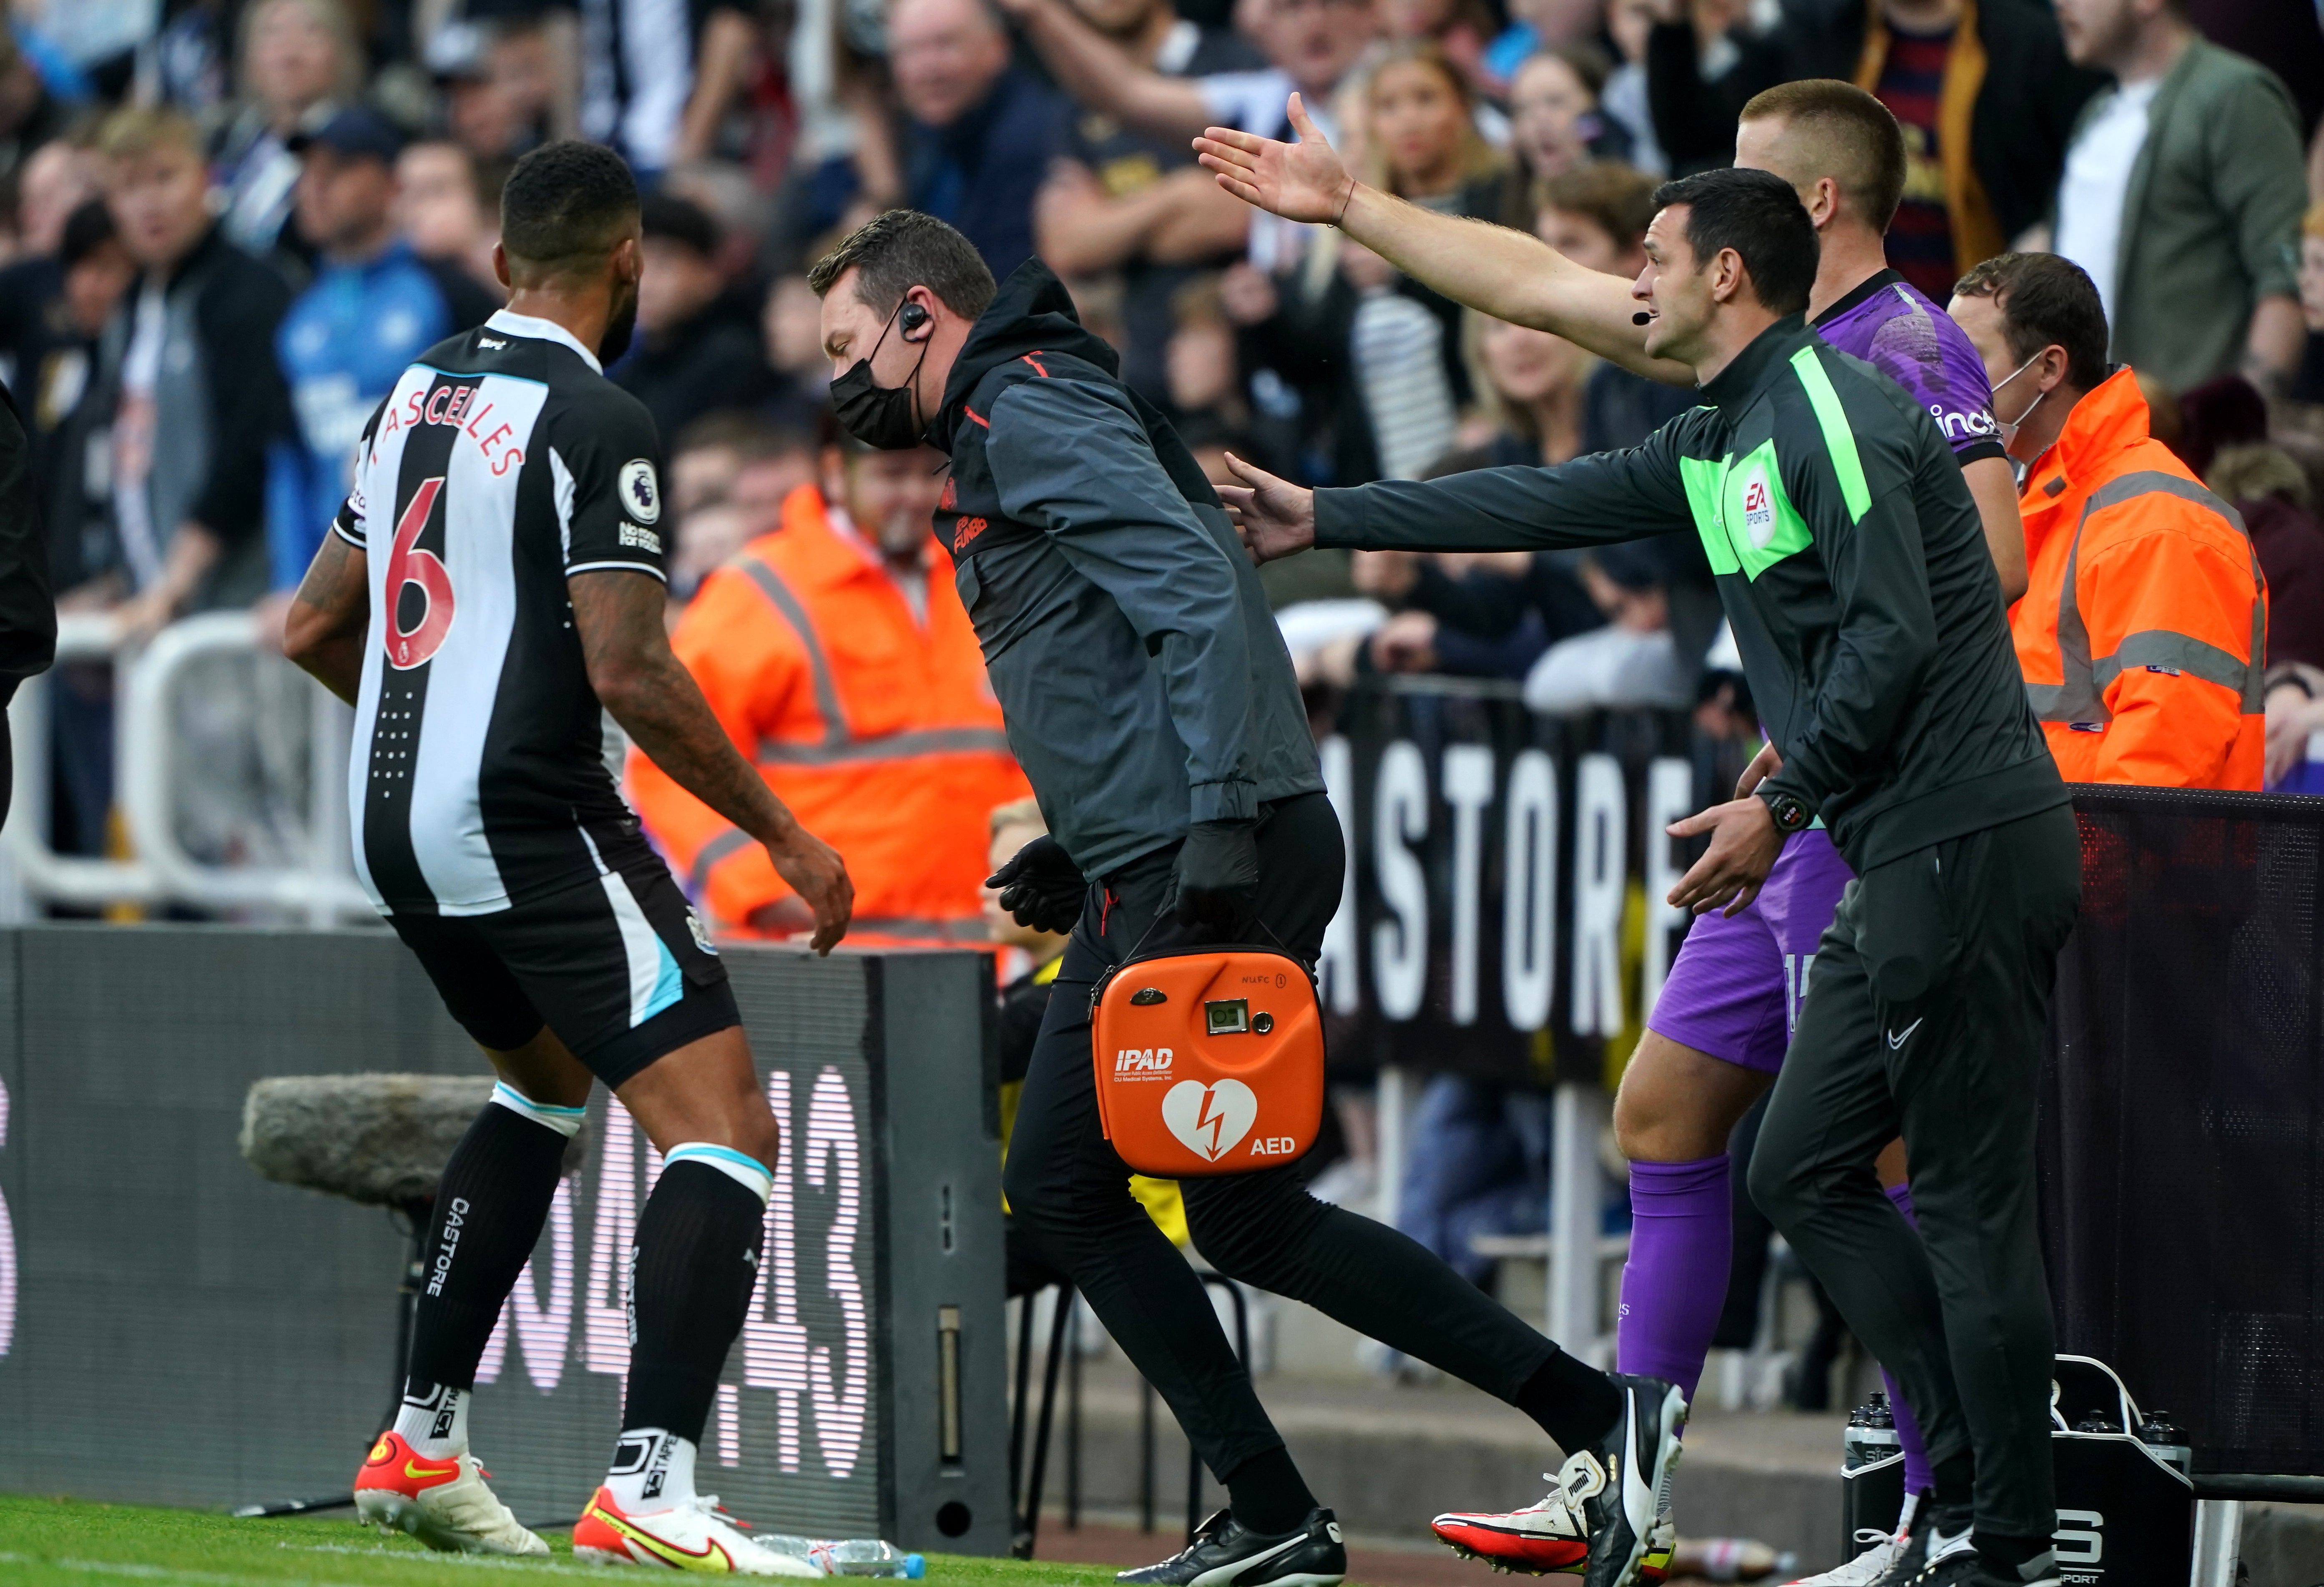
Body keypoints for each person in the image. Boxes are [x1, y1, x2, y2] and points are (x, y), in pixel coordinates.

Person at [1209, 146, 2079, 1587]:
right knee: (1802, 1168)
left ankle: (2010, 1542)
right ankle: (1978, 1500)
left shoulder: (1824, 410)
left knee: (1970, 1204)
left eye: (1654, 258)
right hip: (1903, 849)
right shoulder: (1725, 427)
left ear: (1723, 272)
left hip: (1961, 842)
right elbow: (1557, 500)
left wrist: (1783, 796)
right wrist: (1331, 513)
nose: (1633, 283)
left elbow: (1898, 636)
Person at [809, 207, 1683, 1587]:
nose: (842, 381)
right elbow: (1139, 619)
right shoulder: (1026, 409)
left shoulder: (1026, 408)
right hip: (1163, 845)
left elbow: (1196, 603)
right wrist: (1091, 839)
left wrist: (1209, 822)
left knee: (1080, 1190)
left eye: (851, 345)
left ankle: (1313, 1496)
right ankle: (1532, 1427)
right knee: (1218, 1211)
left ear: (923, 314)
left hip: (1211, 845)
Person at [280, 139, 852, 1568]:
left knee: (538, 1085)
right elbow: (632, 668)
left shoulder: (409, 389)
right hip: (523, 816)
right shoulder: (598, 417)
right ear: (630, 262)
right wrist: (784, 831)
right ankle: (650, 1484)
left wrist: (433, 724)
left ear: (497, 266)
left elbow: (309, 626)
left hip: (390, 821)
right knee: (723, 1121)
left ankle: (420, 1438)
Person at [630, 414, 1027, 942]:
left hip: (986, 949)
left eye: (929, 474)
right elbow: (670, 760)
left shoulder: (985, 578)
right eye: (890, 476)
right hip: (829, 954)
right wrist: (759, 889)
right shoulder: (759, 594)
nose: (913, 495)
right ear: (837, 474)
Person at [1950, 252, 2266, 789]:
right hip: (2031, 866)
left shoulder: (2156, 519)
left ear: (2048, 368)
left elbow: (2166, 756)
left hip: (2113, 872)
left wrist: (2085, 874)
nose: (1946, 382)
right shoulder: (2037, 500)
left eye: (1967, 359)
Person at [1644, 0, 2096, 290]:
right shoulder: (1818, 35)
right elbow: (1694, 138)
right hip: (1837, 321)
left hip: (1984, 327)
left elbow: (2081, 165)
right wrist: (1672, 25)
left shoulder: (2028, 43)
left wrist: (2048, 231)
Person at [266, 108, 498, 630]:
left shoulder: (449, 292)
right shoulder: (296, 314)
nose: (317, 187)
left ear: (392, 185)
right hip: (340, 594)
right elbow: (288, 459)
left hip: (449, 585)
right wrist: (292, 582)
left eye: (341, 170)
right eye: (309, 173)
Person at [93, 106, 293, 638]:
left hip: (234, 614)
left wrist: (175, 583)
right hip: (152, 609)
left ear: (205, 179)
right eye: (130, 186)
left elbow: (250, 448)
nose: (149, 203)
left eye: (165, 177)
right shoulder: (128, 309)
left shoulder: (250, 291)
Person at [2049, 0, 2306, 393]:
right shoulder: (2096, 114)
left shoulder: (2234, 96)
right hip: (2088, 436)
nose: (2060, 4)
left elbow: (2286, 276)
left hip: (2184, 436)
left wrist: (2242, 425)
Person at [1029, 0, 1263, 404]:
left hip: (1237, 370)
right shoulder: (1077, 95)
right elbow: (1065, 242)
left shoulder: (1234, 63)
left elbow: (1241, 214)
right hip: (1129, 372)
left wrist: (1111, 222)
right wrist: (1181, 194)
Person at [884, 0, 1065, 281]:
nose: (927, 70)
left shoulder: (1030, 139)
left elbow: (1003, 289)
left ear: (997, 48)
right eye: (910, 51)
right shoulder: (926, 134)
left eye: (946, 45)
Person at [614, 191, 771, 442]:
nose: (645, 283)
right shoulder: (640, 362)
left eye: (664, 263)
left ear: (711, 274)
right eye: (636, 263)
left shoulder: (732, 360)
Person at [212, 0, 359, 264]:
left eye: (311, 32)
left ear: (341, 53)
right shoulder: (229, 143)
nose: (290, 53)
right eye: (273, 33)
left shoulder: (358, 147)